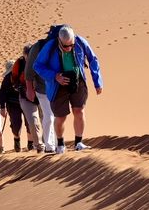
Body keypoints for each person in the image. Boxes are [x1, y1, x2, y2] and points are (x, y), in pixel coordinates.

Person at [32, 25, 103, 154]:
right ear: (59, 40)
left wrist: (97, 82)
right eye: (65, 46)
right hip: (58, 84)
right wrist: (54, 76)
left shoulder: (80, 42)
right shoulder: (51, 46)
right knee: (60, 117)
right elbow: (37, 65)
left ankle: (79, 142)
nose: (68, 48)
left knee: (79, 110)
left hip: (77, 81)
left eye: (71, 45)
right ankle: (60, 144)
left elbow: (93, 59)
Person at [24, 36, 56, 153]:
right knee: (49, 116)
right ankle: (49, 145)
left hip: (55, 88)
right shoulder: (36, 50)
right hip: (41, 90)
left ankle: (57, 143)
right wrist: (30, 89)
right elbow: (29, 73)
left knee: (54, 116)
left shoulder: (56, 49)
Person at [11, 45, 41, 152]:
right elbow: (13, 80)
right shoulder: (19, 63)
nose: (29, 57)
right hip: (26, 97)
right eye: (27, 55)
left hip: (41, 94)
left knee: (47, 120)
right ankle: (39, 146)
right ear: (24, 55)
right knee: (33, 122)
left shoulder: (40, 60)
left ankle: (50, 143)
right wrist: (21, 88)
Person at [0, 60, 25, 152]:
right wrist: (2, 107)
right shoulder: (6, 79)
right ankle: (17, 140)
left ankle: (31, 144)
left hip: (25, 101)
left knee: (30, 123)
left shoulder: (23, 74)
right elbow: (2, 93)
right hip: (12, 104)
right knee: (16, 124)